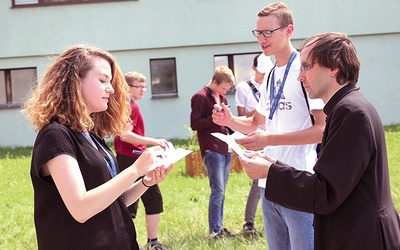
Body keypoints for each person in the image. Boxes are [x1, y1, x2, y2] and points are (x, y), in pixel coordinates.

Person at [240, 31, 400, 249]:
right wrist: (273, 165)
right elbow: (333, 180)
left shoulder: (351, 113)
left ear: (334, 67)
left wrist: (270, 172)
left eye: (306, 67)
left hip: (362, 238)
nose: (300, 76)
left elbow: (326, 193)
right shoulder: (346, 108)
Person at [23, 44, 173, 250]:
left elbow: (114, 202)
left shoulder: (90, 135)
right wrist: (135, 170)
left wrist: (145, 182)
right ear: (75, 82)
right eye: (103, 80)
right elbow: (81, 208)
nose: (110, 89)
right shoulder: (55, 135)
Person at [212, 2, 326, 249]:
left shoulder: (305, 70)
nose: (261, 39)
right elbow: (257, 123)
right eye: (258, 33)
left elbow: (322, 130)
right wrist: (229, 121)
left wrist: (269, 140)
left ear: (288, 30)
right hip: (268, 183)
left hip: (298, 181)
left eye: (268, 32)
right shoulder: (272, 74)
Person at [114, 71, 169, 250]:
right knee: (150, 199)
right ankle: (152, 242)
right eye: (139, 86)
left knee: (128, 201)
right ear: (128, 88)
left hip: (126, 158)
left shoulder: (126, 105)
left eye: (144, 86)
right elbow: (125, 135)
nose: (143, 90)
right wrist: (154, 141)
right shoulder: (131, 106)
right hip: (133, 158)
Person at [190, 66, 236, 239]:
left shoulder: (222, 97)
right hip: (211, 148)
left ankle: (220, 226)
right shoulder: (200, 97)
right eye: (223, 88)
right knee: (217, 190)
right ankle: (214, 231)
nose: (225, 92)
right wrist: (214, 118)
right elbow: (195, 123)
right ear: (214, 82)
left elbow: (225, 122)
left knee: (222, 190)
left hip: (226, 147)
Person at [234, 53, 273, 236]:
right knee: (258, 183)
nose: (263, 76)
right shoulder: (244, 87)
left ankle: (272, 220)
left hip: (273, 136)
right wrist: (259, 112)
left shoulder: (273, 83)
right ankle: (249, 223)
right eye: (261, 72)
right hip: (255, 137)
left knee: (275, 178)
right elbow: (242, 115)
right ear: (254, 68)